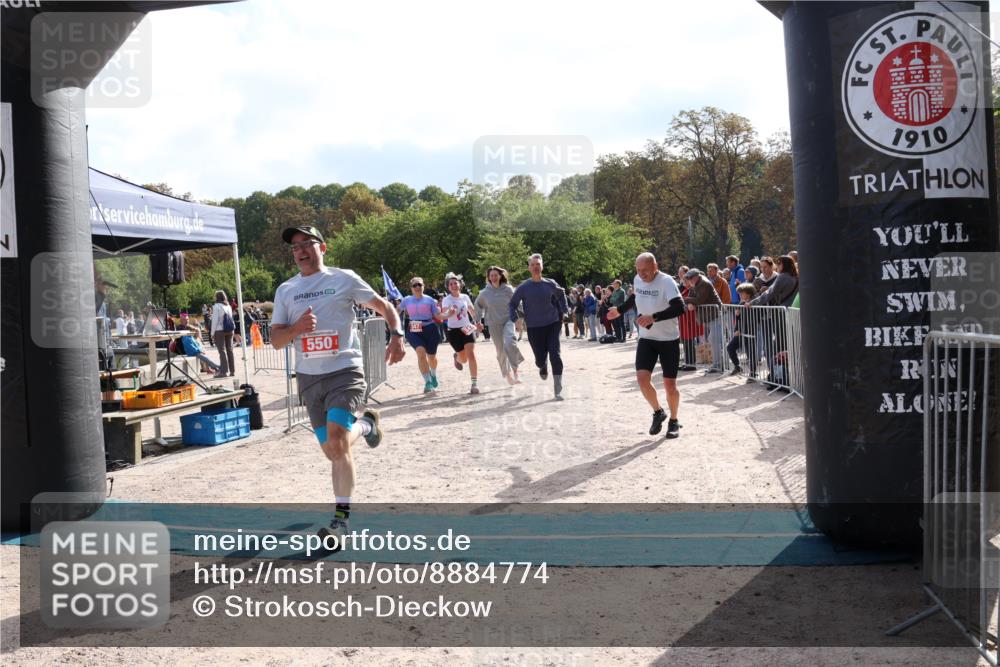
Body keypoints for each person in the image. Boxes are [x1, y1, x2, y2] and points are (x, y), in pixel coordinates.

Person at [270, 225, 405, 545]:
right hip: (309, 378)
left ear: (323, 248)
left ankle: (340, 522)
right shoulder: (286, 290)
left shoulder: (343, 278)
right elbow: (275, 340)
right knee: (333, 450)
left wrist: (397, 335)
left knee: (337, 441)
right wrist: (296, 328)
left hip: (345, 371)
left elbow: (384, 306)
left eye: (307, 244)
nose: (300, 250)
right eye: (295, 247)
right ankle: (368, 426)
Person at [607, 253, 685, 438]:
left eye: (646, 271)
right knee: (642, 379)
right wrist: (619, 310)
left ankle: (674, 421)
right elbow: (635, 298)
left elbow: (679, 307)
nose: (642, 274)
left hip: (668, 340)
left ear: (655, 266)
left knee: (670, 385)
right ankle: (658, 412)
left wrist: (654, 317)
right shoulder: (638, 279)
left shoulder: (666, 282)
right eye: (638, 270)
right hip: (647, 338)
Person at [508, 253, 568, 400]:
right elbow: (512, 304)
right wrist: (515, 318)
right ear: (529, 267)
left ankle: (557, 389)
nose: (535, 267)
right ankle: (542, 365)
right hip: (534, 327)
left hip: (553, 323)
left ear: (542, 266)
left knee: (555, 353)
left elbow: (561, 294)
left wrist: (565, 311)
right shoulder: (524, 287)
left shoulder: (550, 283)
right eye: (533, 265)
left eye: (538, 264)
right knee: (540, 359)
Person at [475, 265, 524, 385]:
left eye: (496, 275)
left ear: (500, 276)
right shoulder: (484, 293)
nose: (494, 277)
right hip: (493, 323)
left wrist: (521, 318)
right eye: (491, 275)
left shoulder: (508, 289)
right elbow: (478, 305)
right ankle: (507, 374)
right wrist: (478, 321)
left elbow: (518, 302)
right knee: (501, 350)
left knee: (510, 343)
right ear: (489, 277)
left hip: (508, 320)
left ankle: (516, 372)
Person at [398, 276, 443, 394]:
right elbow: (396, 311)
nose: (417, 287)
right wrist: (387, 316)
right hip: (414, 330)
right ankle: (427, 382)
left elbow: (438, 316)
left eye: (419, 285)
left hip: (430, 329)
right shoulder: (406, 300)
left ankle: (433, 375)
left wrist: (450, 314)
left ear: (423, 286)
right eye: (415, 285)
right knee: (420, 352)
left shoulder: (430, 300)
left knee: (432, 357)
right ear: (411, 288)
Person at [441, 273, 481, 394]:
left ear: (460, 285)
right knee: (463, 359)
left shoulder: (465, 297)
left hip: (467, 328)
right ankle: (457, 357)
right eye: (451, 284)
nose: (453, 285)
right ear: (448, 287)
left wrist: (477, 322)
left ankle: (474, 384)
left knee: (471, 354)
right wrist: (449, 313)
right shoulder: (446, 299)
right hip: (453, 331)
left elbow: (472, 311)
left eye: (455, 283)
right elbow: (443, 315)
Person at [683, 269, 724, 373]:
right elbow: (693, 297)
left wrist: (687, 300)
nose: (689, 280)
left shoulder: (704, 283)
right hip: (708, 316)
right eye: (687, 278)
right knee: (713, 339)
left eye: (690, 278)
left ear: (696, 276)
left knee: (715, 340)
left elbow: (699, 300)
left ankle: (719, 365)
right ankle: (718, 364)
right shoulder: (695, 283)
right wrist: (689, 302)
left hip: (715, 314)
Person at [727, 284, 758, 380]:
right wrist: (737, 329)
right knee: (730, 347)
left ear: (748, 294)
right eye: (739, 293)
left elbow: (755, 318)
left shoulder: (754, 303)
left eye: (742, 293)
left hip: (750, 331)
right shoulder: (741, 303)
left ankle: (753, 373)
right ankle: (737, 366)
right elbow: (738, 319)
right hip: (741, 332)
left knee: (750, 353)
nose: (740, 295)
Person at [210, 290, 237, 378]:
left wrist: (212, 333)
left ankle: (223, 371)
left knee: (222, 351)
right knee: (230, 350)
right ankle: (232, 371)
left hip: (219, 330)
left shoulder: (216, 306)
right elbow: (231, 318)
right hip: (229, 330)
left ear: (217, 297)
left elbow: (214, 321)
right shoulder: (228, 306)